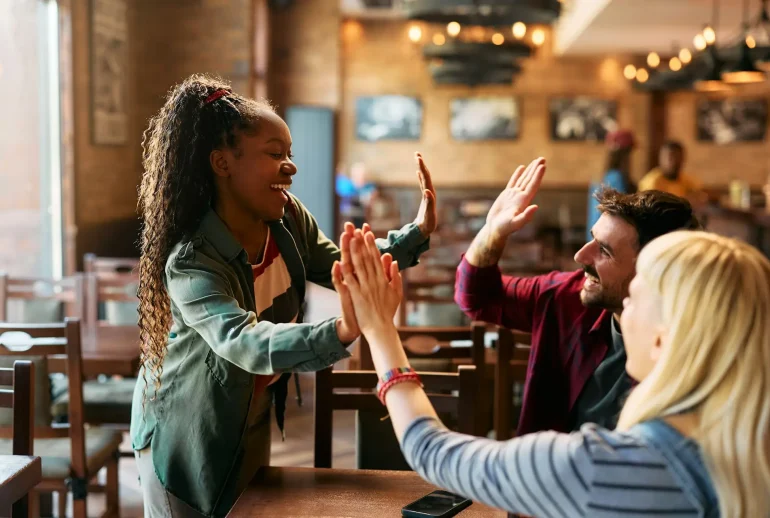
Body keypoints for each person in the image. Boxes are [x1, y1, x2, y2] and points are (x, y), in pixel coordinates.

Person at [130, 74, 438, 518]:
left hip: (246, 412)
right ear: (222, 163)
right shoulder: (192, 261)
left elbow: (344, 267)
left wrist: (417, 233)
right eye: (275, 154)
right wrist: (343, 329)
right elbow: (243, 342)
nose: (291, 167)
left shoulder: (288, 218)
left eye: (289, 154)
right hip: (186, 430)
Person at [335, 226, 770, 517]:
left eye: (634, 299)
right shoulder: (752, 454)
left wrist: (380, 331)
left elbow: (433, 452)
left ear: (662, 339)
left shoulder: (602, 467)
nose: (624, 312)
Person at [454, 158, 701, 435]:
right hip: (548, 472)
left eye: (604, 251)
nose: (580, 256)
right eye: (592, 238)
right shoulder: (565, 296)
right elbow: (477, 298)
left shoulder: (698, 343)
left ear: (654, 270)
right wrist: (492, 233)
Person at [586, 129, 636, 242]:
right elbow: (621, 213)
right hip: (609, 240)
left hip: (596, 237)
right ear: (624, 154)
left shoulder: (601, 176)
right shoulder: (617, 178)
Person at [639, 140, 707, 205]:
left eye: (678, 157)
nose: (674, 162)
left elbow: (702, 196)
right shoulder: (651, 182)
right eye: (670, 157)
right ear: (661, 158)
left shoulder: (685, 179)